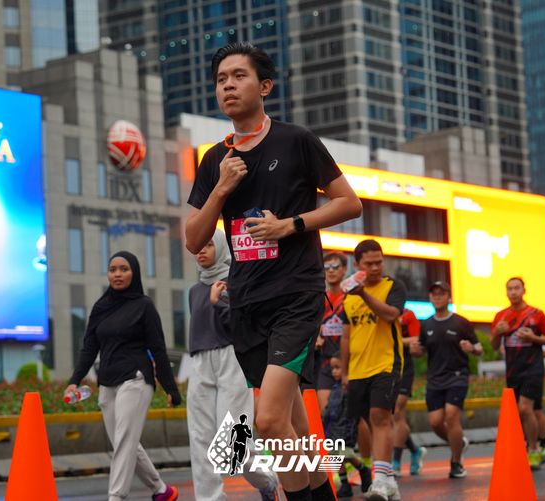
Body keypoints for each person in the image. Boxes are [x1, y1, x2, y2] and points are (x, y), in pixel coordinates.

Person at [185, 42, 362, 501]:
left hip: (295, 296)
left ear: (264, 86)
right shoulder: (214, 160)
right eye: (221, 79)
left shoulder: (296, 141)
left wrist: (290, 225)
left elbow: (349, 203)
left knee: (267, 421)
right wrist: (221, 189)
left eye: (238, 76)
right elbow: (193, 238)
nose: (228, 85)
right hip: (246, 304)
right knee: (294, 426)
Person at [65, 251, 181, 501]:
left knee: (125, 441)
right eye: (113, 269)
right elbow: (89, 348)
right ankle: (161, 490)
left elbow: (158, 349)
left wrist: (170, 388)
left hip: (136, 379)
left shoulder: (144, 306)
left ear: (134, 273)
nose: (117, 274)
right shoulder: (101, 307)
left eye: (124, 269)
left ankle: (116, 497)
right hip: (107, 382)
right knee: (124, 443)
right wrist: (74, 381)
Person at [187, 230, 279, 500]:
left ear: (220, 247)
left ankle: (267, 481)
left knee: (233, 441)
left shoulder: (237, 282)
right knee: (199, 437)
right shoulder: (194, 291)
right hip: (200, 361)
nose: (202, 251)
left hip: (233, 359)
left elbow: (245, 327)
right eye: (199, 247)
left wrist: (219, 303)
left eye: (208, 245)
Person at [339, 239, 406, 501]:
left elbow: (391, 314)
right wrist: (345, 372)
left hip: (386, 363)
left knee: (380, 417)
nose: (376, 267)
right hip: (357, 370)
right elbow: (346, 336)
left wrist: (364, 295)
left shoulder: (393, 286)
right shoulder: (348, 296)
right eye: (369, 263)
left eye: (379, 262)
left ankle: (379, 480)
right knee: (369, 422)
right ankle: (389, 481)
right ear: (357, 265)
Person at [410, 281, 482, 479]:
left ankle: (456, 462)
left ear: (449, 297)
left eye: (441, 294)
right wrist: (415, 351)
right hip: (435, 378)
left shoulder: (461, 322)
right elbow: (421, 350)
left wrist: (471, 348)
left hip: (457, 376)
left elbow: (478, 348)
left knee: (451, 416)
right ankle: (459, 443)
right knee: (435, 422)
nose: (437, 297)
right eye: (434, 294)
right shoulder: (426, 324)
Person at [491, 277, 545, 470]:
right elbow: (494, 346)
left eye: (517, 288)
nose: (513, 292)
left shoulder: (537, 314)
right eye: (509, 289)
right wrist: (497, 333)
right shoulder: (501, 316)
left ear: (524, 290)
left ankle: (534, 448)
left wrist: (533, 338)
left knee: (526, 408)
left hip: (533, 368)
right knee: (525, 412)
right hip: (513, 370)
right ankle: (532, 444)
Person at [322, 356, 372, 498]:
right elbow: (330, 408)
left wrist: (350, 425)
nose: (334, 371)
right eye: (332, 368)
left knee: (346, 454)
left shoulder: (351, 388)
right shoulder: (335, 388)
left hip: (346, 429)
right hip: (332, 429)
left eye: (338, 368)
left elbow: (352, 411)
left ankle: (363, 470)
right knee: (334, 456)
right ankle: (345, 484)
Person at [391, 307, 427, 476]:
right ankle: (415, 450)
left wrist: (394, 340)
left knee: (397, 411)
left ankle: (395, 462)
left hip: (403, 367)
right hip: (382, 366)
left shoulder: (408, 314)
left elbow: (417, 339)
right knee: (390, 416)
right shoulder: (374, 312)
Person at [315, 252, 349, 414]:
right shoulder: (320, 300)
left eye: (335, 266)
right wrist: (316, 338)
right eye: (327, 267)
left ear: (344, 269)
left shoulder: (351, 298)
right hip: (326, 362)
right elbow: (313, 325)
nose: (331, 270)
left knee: (353, 417)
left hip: (350, 362)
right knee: (325, 413)